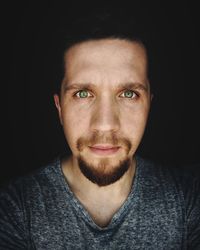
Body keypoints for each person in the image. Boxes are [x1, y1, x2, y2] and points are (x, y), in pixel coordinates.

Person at [0, 9, 200, 249]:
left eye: (128, 94)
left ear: (149, 105)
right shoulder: (15, 208)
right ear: (59, 108)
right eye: (83, 93)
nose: (105, 124)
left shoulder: (189, 198)